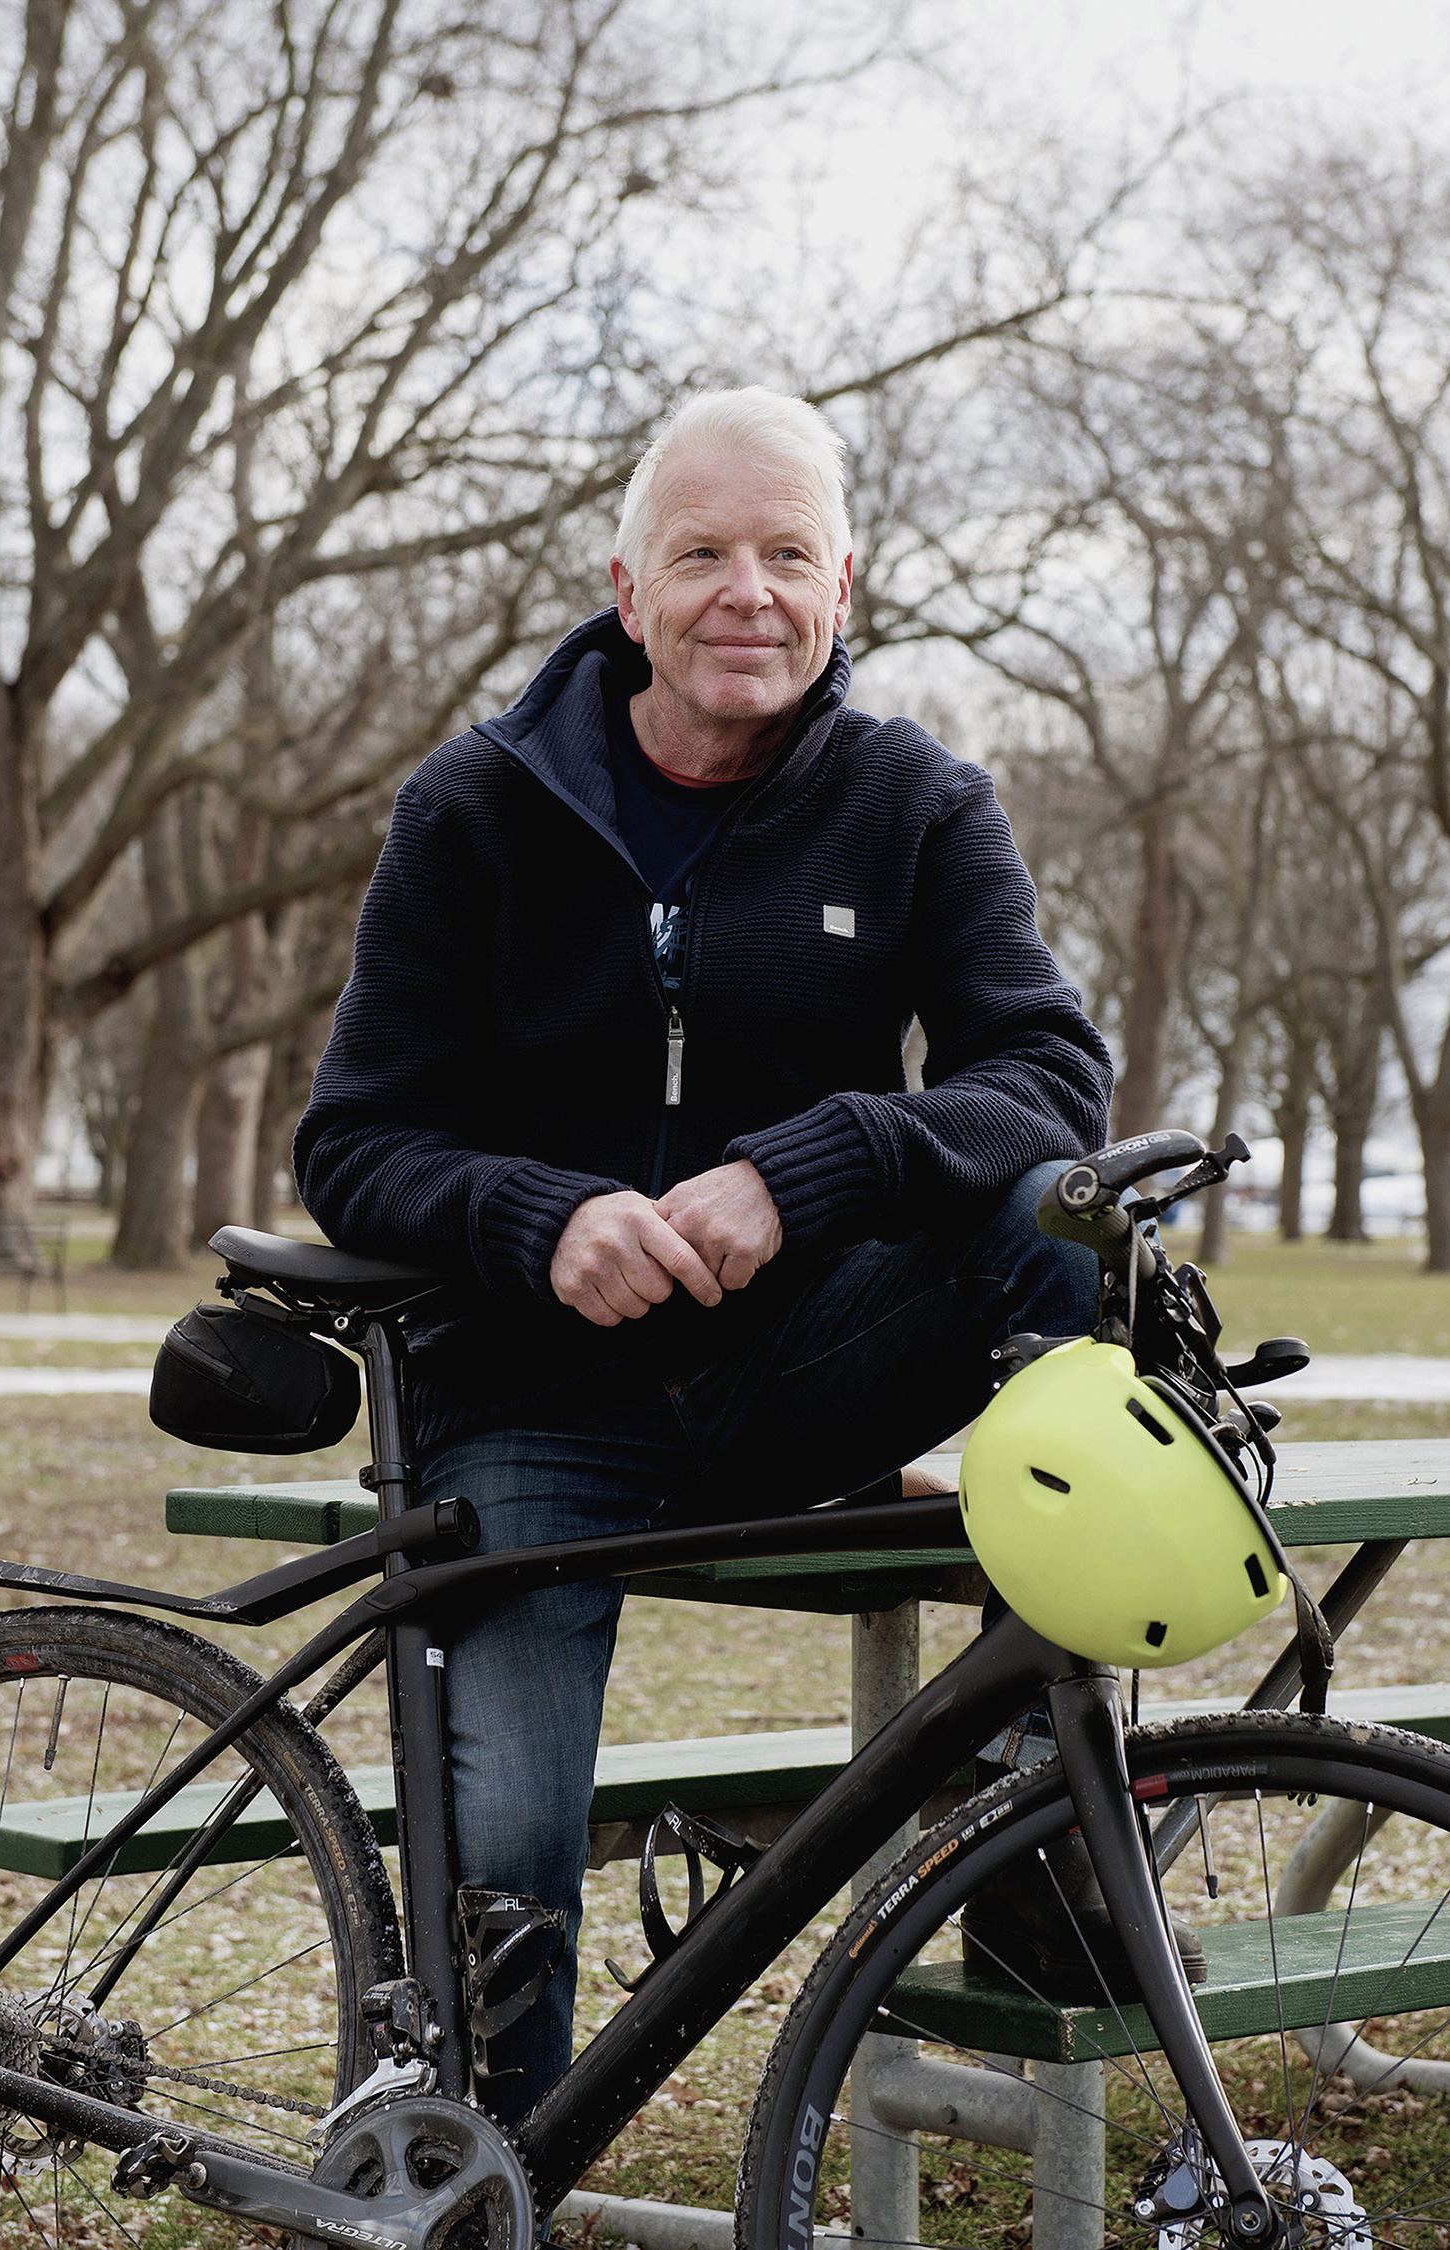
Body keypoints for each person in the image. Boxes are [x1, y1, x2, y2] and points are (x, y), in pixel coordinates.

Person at [294, 386, 1115, 2121]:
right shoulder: (471, 805)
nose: (748, 592)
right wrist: (540, 1216)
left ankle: (1053, 1837)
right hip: (532, 1396)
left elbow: (1049, 1078)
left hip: (802, 1362)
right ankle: (476, 2172)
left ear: (841, 590)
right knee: (503, 1846)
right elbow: (350, 1141)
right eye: (704, 555)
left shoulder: (916, 802)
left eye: (789, 556)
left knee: (1057, 1214)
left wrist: (807, 1168)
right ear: (626, 587)